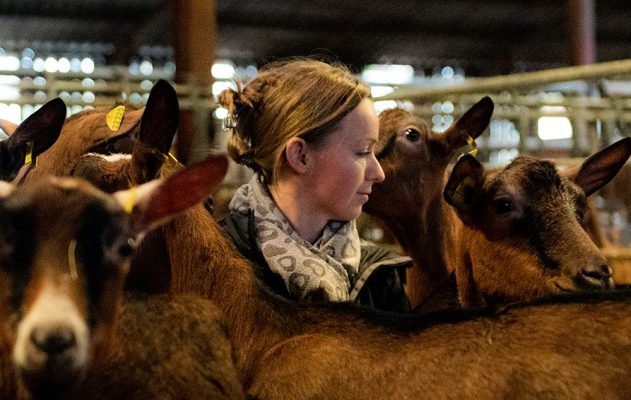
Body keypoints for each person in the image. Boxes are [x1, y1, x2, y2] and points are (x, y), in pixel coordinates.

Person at [218, 59, 411, 312]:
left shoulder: (378, 275)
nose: (378, 173)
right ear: (300, 156)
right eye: (363, 152)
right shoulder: (219, 263)